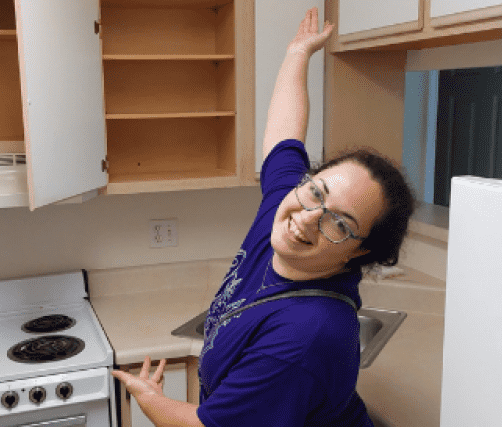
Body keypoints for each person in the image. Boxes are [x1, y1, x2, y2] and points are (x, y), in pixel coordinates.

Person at [111, 7, 416, 427]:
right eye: (316, 191)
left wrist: (150, 401)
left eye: (340, 224)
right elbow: (284, 132)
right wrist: (297, 53)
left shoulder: (305, 336)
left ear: (360, 251)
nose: (309, 218)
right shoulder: (286, 208)